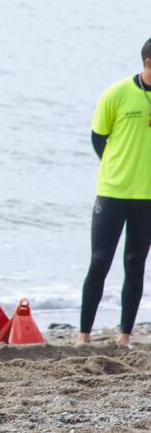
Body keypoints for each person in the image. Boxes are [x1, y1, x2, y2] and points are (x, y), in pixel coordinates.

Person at [79, 39, 151, 347]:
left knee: (135, 264)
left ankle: (124, 337)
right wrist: (116, 168)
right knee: (99, 261)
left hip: (147, 198)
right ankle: (84, 336)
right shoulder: (117, 94)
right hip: (112, 193)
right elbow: (98, 138)